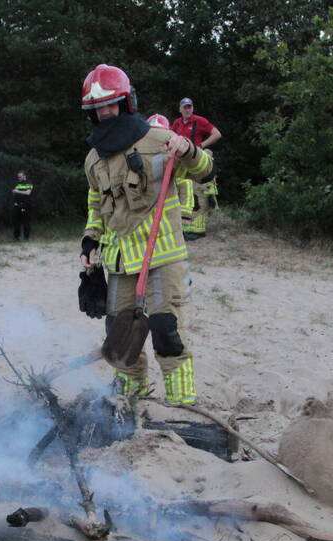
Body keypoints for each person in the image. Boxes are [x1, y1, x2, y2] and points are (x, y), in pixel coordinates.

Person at [78, 64, 215, 405]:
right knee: (119, 334)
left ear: (126, 103)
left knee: (166, 332)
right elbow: (97, 204)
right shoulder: (93, 159)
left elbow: (205, 170)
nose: (105, 112)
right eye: (97, 108)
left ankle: (182, 403)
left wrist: (189, 150)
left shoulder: (160, 141)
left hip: (162, 257)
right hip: (120, 263)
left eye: (110, 104)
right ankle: (130, 395)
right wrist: (90, 239)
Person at [170, 98, 220, 240]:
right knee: (184, 194)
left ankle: (198, 230)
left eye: (189, 107)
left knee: (199, 194)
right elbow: (170, 136)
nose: (187, 109)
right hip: (181, 163)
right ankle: (186, 227)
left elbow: (217, 134)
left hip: (196, 162)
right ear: (180, 109)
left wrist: (202, 146)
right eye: (185, 107)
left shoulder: (199, 121)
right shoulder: (177, 123)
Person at [12, 171, 34, 241]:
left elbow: (28, 193)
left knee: (26, 222)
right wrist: (14, 193)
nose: (19, 178)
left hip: (25, 205)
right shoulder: (17, 183)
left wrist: (17, 191)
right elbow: (14, 192)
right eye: (18, 177)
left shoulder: (29, 183)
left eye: (20, 177)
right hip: (17, 205)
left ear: (24, 176)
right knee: (16, 222)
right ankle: (16, 237)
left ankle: (26, 238)